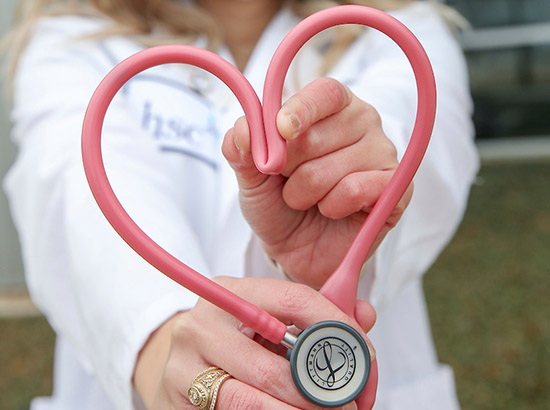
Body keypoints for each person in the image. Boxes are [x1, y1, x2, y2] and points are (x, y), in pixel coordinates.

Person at [3, 0, 479, 409]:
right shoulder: (71, 37)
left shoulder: (399, 28)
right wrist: (166, 356)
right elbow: (72, 193)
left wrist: (354, 188)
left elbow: (422, 146)